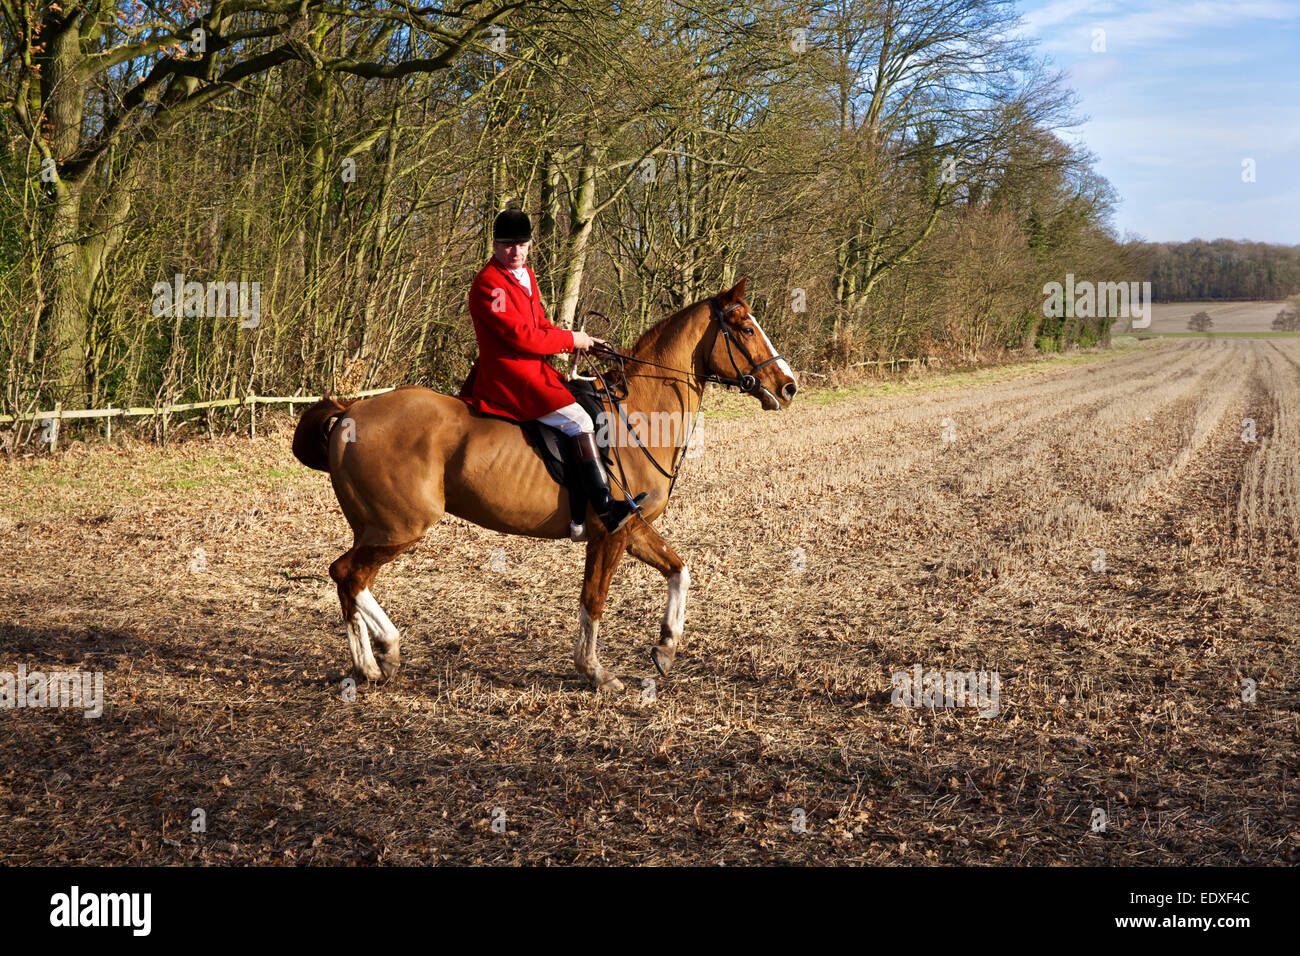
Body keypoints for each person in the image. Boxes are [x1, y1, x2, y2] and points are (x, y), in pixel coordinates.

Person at [458, 208, 646, 533]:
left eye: (521, 244)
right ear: (494, 245)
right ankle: (603, 508)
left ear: (530, 244)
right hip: (510, 374)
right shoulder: (491, 284)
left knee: (590, 398)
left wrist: (582, 342)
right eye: (507, 245)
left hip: (532, 368)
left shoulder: (526, 276)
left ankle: (582, 498)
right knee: (580, 421)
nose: (515, 252)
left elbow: (541, 324)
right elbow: (521, 337)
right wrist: (571, 339)